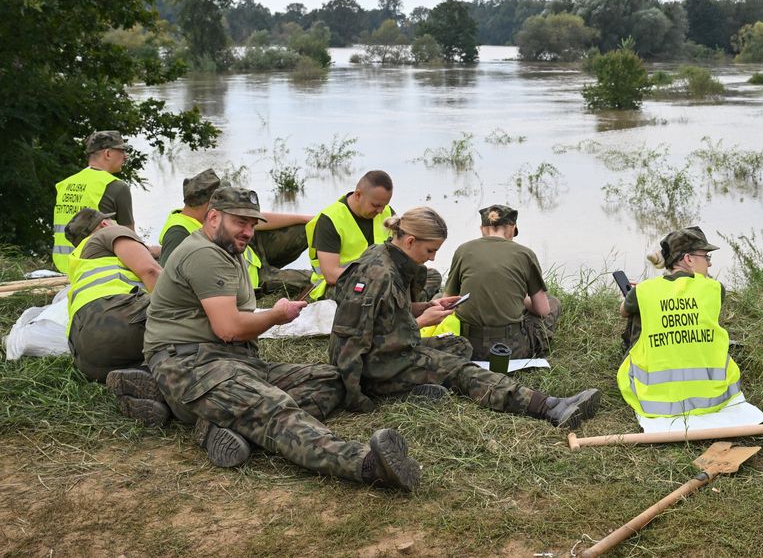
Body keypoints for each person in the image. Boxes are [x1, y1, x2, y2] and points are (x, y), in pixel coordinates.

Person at [143, 186, 421, 491]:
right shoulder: (204, 255)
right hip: (190, 365)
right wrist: (277, 315)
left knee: (335, 380)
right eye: (240, 222)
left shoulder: (227, 248)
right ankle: (367, 465)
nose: (248, 231)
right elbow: (229, 329)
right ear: (212, 218)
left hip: (231, 360)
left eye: (252, 224)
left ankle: (220, 423)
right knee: (275, 409)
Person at [329, 206, 600, 428]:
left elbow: (386, 314)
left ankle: (408, 390)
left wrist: (427, 306)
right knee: (461, 370)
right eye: (430, 250)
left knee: (459, 346)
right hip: (375, 365)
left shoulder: (383, 255)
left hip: (385, 355)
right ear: (410, 241)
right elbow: (352, 336)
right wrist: (357, 397)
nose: (433, 259)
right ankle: (549, 407)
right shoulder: (381, 274)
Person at [62, 207, 174, 428]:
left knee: (159, 363)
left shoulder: (79, 261)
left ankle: (144, 392)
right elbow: (151, 272)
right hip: (117, 319)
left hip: (87, 356)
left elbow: (145, 254)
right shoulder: (109, 233)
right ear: (104, 224)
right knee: (196, 326)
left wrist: (152, 250)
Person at [617, 227, 743, 418]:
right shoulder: (715, 289)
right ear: (689, 259)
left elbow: (623, 311)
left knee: (639, 311)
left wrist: (639, 294)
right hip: (714, 398)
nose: (709, 264)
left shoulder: (645, 290)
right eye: (706, 257)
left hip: (653, 401)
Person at [160, 168, 311, 294]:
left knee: (308, 228)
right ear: (209, 205)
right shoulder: (178, 234)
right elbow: (171, 281)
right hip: (255, 280)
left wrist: (305, 219)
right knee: (313, 280)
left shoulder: (206, 216)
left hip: (254, 255)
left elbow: (254, 219)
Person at [441, 204, 560, 360]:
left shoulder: (463, 250)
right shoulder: (525, 254)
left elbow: (447, 300)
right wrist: (522, 299)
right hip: (511, 350)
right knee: (553, 302)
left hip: (467, 346)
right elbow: (542, 310)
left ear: (482, 228)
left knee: (438, 298)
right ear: (511, 228)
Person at [305, 170, 439, 300]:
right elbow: (331, 274)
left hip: (382, 278)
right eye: (375, 205)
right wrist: (377, 279)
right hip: (340, 284)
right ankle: (404, 305)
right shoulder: (330, 220)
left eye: (385, 205)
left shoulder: (385, 211)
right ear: (358, 195)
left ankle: (408, 304)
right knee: (372, 293)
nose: (380, 211)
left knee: (430, 275)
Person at [52, 131, 142, 271]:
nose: (125, 156)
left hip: (64, 266)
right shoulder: (116, 186)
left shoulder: (65, 184)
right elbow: (131, 238)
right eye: (122, 151)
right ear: (107, 154)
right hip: (95, 267)